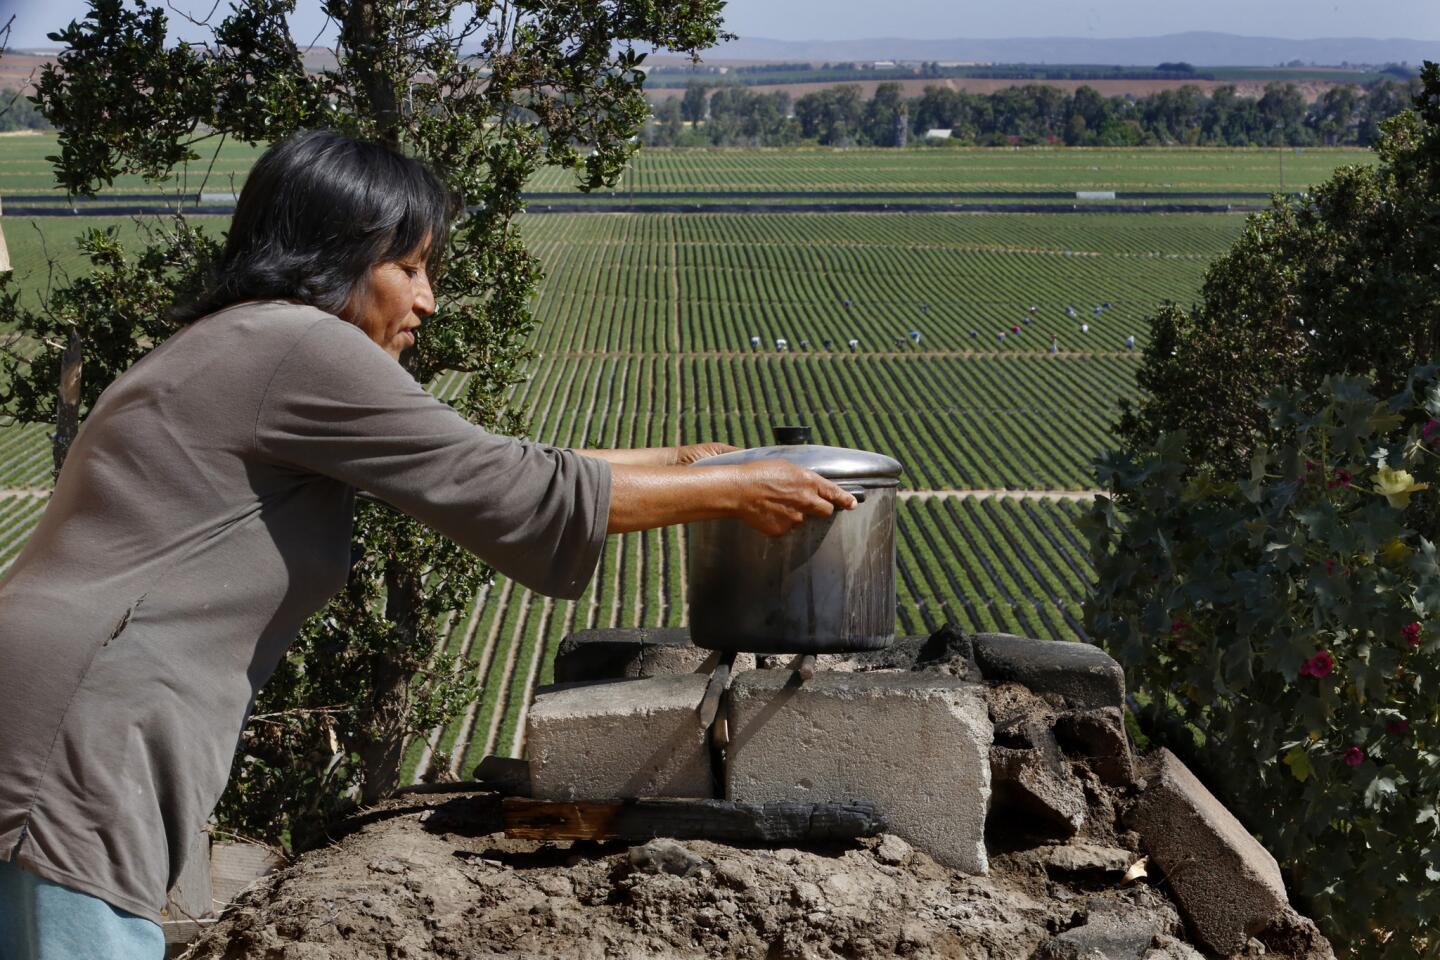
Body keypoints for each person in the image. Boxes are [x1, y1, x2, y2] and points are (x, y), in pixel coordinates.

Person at [0, 130, 854, 959]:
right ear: (329, 255)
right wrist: (738, 490)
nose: (427, 299)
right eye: (405, 267)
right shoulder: (302, 344)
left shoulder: (244, 343)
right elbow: (504, 484)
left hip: (51, 700)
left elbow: (484, 463)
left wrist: (683, 464)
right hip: (86, 725)